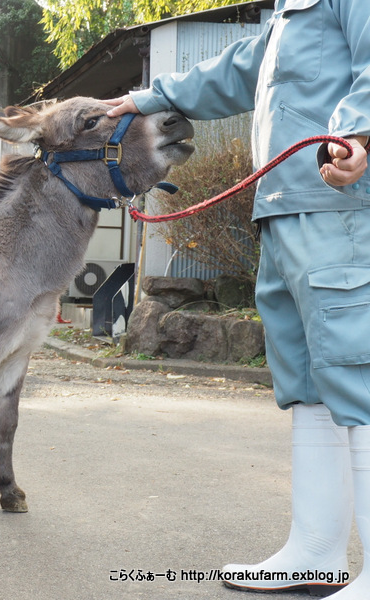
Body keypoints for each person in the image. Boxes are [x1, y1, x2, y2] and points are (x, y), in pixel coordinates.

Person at [106, 1, 370, 597]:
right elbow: (239, 69)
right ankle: (314, 554)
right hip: (283, 208)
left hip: (341, 208)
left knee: (357, 372)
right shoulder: (286, 11)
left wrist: (358, 130)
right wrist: (149, 97)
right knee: (304, 380)